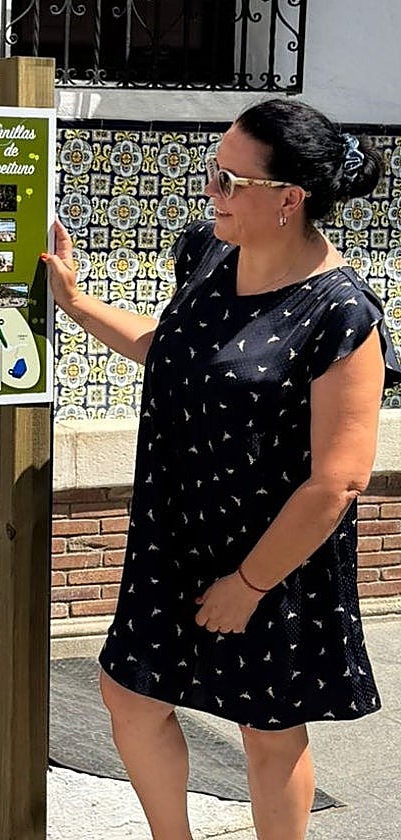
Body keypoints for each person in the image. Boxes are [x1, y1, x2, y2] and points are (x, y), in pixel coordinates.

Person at [43, 98, 401, 840]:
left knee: (267, 731)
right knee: (131, 696)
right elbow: (179, 350)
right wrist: (77, 305)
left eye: (230, 181)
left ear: (289, 200)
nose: (211, 192)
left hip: (274, 551)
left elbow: (339, 480)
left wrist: (247, 586)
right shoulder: (205, 251)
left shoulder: (341, 312)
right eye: (213, 171)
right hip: (175, 533)